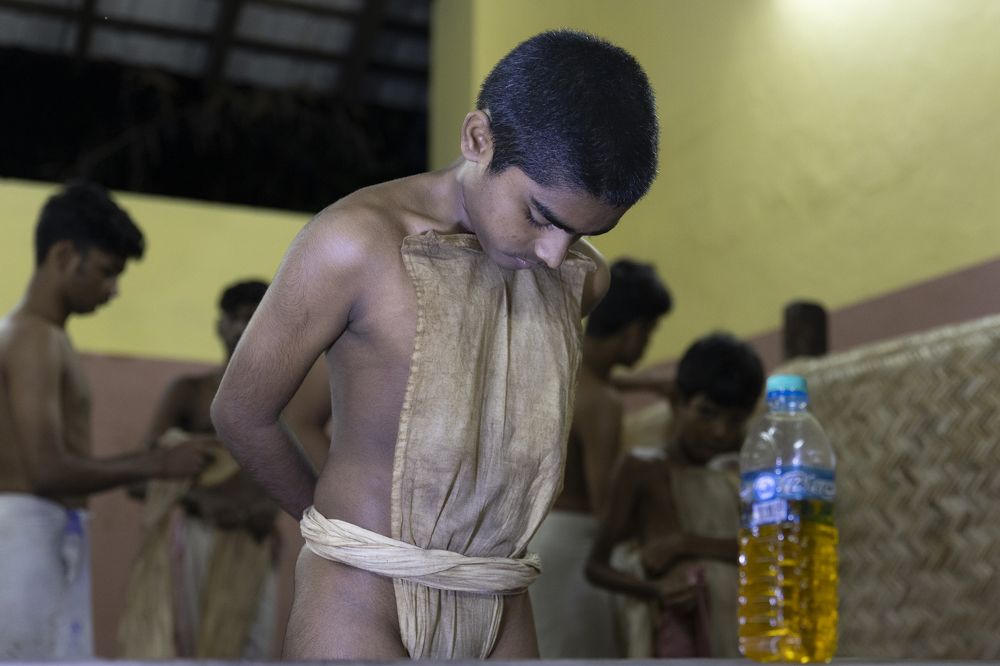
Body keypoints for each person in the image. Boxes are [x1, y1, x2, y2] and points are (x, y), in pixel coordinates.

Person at [211, 29, 659, 660]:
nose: (556, 253)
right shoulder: (354, 243)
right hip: (361, 596)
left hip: (500, 601)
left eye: (586, 233)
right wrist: (337, 532)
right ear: (478, 139)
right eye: (539, 217)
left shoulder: (580, 276)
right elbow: (240, 412)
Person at [0, 180, 211, 659]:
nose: (113, 291)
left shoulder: (45, 338)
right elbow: (47, 471)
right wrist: (154, 463)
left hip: (45, 535)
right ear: (64, 255)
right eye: (106, 272)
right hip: (23, 542)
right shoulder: (33, 339)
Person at [120, 280, 289, 658]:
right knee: (196, 649)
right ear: (220, 325)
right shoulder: (190, 393)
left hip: (256, 543)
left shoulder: (287, 399)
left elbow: (292, 477)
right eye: (239, 318)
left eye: (258, 318)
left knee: (252, 652)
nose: (247, 328)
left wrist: (267, 509)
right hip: (199, 536)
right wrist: (201, 501)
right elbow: (137, 479)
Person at [586, 332, 764, 658]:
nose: (720, 431)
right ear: (677, 400)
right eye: (706, 412)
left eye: (735, 420)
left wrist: (686, 543)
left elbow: (768, 548)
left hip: (745, 634)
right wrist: (655, 589)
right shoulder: (643, 469)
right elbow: (596, 567)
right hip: (676, 639)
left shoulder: (744, 475)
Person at [529, 258, 671, 658]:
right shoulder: (603, 402)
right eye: (650, 331)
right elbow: (604, 505)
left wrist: (644, 382)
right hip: (576, 550)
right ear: (634, 330)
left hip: (534, 541)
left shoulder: (554, 369)